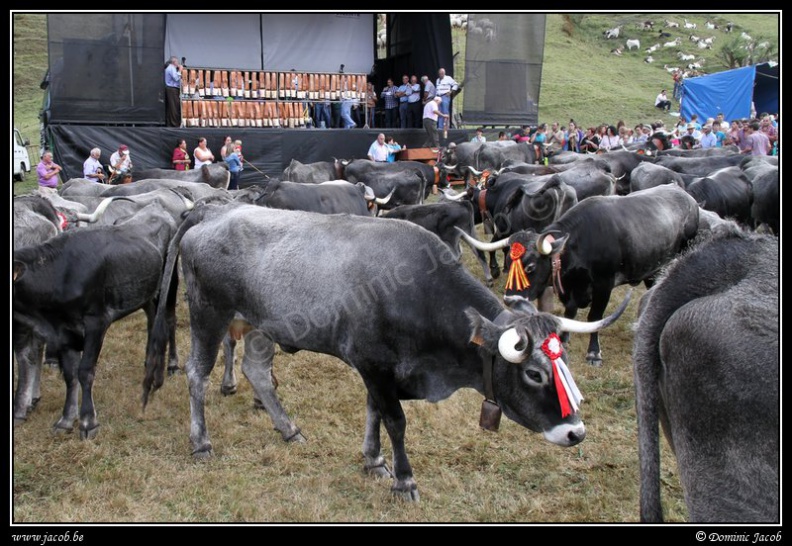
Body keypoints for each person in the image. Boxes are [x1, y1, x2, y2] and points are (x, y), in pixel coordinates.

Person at [164, 56, 182, 127]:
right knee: (174, 107)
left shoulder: (170, 68)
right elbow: (175, 78)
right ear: (174, 62)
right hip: (172, 89)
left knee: (171, 107)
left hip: (171, 89)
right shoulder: (171, 68)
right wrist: (180, 70)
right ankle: (174, 124)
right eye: (177, 62)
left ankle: (170, 123)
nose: (178, 64)